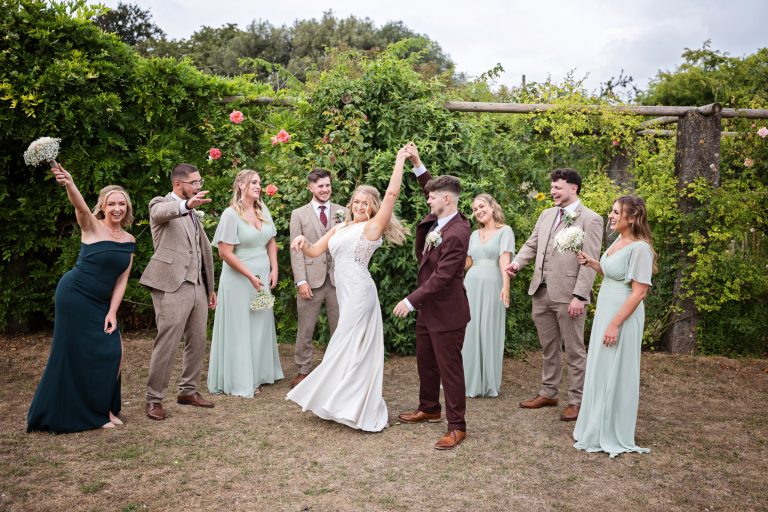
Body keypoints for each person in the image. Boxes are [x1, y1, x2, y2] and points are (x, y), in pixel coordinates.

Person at [286, 147, 409, 432]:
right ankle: (339, 399)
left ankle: (350, 402)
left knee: (345, 341)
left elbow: (391, 195)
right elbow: (316, 251)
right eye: (356, 201)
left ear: (373, 206)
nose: (360, 206)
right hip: (345, 291)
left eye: (366, 203)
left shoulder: (372, 228)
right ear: (351, 203)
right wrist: (302, 242)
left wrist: (400, 160)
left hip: (360, 291)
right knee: (346, 343)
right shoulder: (341, 226)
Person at [28, 164, 135, 433]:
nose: (117, 209)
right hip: (74, 295)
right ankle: (86, 413)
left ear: (127, 208)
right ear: (103, 206)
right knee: (72, 354)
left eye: (122, 204)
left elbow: (121, 280)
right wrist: (70, 183)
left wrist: (112, 312)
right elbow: (80, 207)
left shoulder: (129, 239)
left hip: (100, 303)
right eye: (111, 204)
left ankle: (105, 408)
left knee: (114, 352)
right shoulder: (91, 226)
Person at [505, 168, 602, 422]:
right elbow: (532, 244)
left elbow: (590, 261)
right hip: (541, 291)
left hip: (568, 295)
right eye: (552, 187)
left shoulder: (590, 219)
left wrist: (580, 296)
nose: (552, 192)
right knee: (549, 347)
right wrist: (517, 263)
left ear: (574, 188)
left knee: (574, 349)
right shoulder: (547, 214)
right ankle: (549, 392)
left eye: (557, 187)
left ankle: (576, 400)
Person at [393, 143, 472, 450]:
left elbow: (442, 278)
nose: (428, 199)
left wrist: (411, 300)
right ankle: (429, 408)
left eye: (433, 198)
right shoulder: (442, 218)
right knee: (425, 360)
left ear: (447, 200)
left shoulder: (457, 232)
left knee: (449, 368)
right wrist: (416, 162)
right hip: (429, 309)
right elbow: (431, 185)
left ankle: (457, 426)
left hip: (448, 311)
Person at [573, 196, 655, 457]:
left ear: (631, 218)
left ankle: (611, 429)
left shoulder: (640, 248)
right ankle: (595, 425)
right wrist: (593, 263)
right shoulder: (617, 242)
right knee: (600, 367)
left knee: (615, 370)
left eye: (616, 212)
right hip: (606, 311)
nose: (610, 215)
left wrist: (615, 324)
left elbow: (639, 292)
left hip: (622, 316)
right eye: (611, 210)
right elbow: (612, 274)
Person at [140, 163, 217, 421]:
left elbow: (202, 249)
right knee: (168, 343)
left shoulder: (194, 212)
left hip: (196, 285)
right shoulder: (161, 204)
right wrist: (186, 206)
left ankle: (188, 390)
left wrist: (209, 287)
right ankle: (154, 399)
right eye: (194, 183)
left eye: (199, 181)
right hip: (171, 285)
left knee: (198, 340)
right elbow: (163, 212)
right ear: (178, 184)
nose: (198, 186)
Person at [207, 170, 283, 397]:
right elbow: (225, 253)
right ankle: (241, 379)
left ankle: (259, 373)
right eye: (253, 182)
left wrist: (274, 267)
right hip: (240, 278)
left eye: (260, 182)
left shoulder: (262, 210)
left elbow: (271, 240)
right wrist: (250, 276)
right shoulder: (230, 215)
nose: (258, 186)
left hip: (262, 276)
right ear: (240, 185)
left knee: (260, 323)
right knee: (241, 326)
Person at [288, 168, 343, 388]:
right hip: (311, 280)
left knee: (339, 327)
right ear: (310, 187)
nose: (325, 189)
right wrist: (301, 280)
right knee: (306, 327)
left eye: (328, 185)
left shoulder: (343, 211)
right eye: (320, 186)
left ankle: (338, 368)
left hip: (338, 280)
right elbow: (296, 249)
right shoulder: (299, 214)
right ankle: (303, 370)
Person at [462, 194, 515, 398]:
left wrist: (506, 287)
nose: (478, 211)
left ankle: (487, 382)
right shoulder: (474, 234)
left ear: (492, 207)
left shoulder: (505, 231)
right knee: (469, 329)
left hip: (493, 284)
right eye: (475, 209)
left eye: (482, 206)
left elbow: (505, 260)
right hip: (471, 285)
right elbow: (468, 262)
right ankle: (467, 379)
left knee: (488, 328)